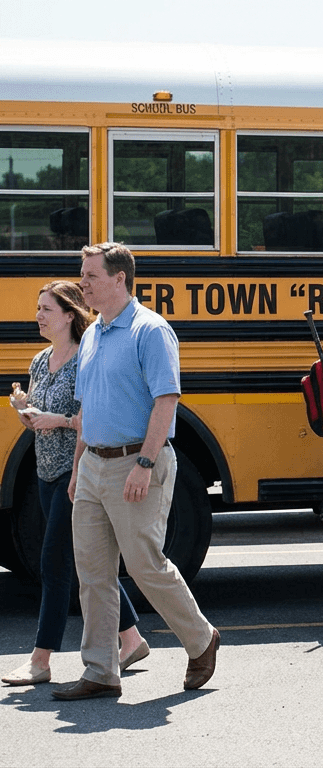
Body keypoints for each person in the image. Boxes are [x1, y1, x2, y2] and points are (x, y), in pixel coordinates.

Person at [52, 242, 219, 700]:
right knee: (93, 572)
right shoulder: (92, 334)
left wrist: (144, 463)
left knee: (146, 565)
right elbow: (87, 410)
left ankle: (202, 639)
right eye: (83, 275)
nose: (82, 283)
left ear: (118, 278)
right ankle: (101, 670)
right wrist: (77, 467)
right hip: (93, 466)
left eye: (90, 276)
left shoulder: (150, 330)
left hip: (136, 461)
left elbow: (167, 400)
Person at [3, 282, 149, 688]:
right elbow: (39, 411)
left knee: (54, 564)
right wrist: (26, 411)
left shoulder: (85, 359)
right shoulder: (39, 360)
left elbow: (94, 414)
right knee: (92, 561)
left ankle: (41, 659)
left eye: (46, 309)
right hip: (45, 471)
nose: (38, 315)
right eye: (37, 308)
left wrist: (60, 421)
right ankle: (132, 638)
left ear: (69, 315)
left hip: (78, 470)